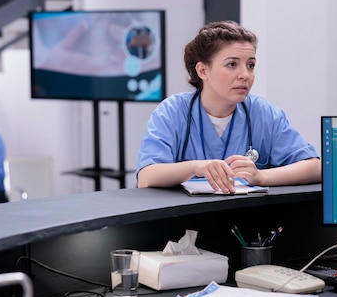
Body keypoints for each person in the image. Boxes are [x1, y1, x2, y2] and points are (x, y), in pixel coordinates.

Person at [136, 20, 321, 192]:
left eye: (251, 65)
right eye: (232, 64)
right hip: (186, 222)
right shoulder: (171, 112)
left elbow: (315, 168)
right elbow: (146, 177)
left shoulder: (263, 113)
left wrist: (261, 176)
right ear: (202, 70)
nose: (245, 75)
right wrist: (196, 167)